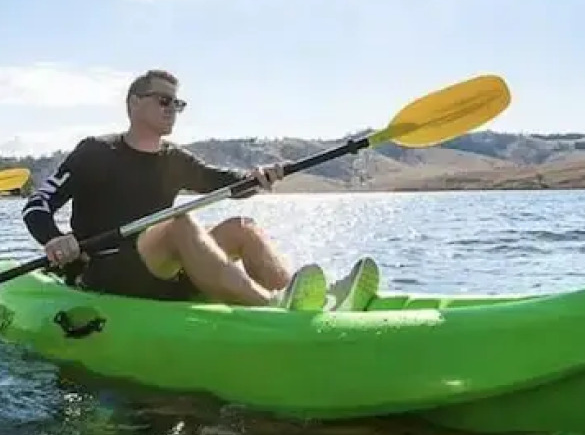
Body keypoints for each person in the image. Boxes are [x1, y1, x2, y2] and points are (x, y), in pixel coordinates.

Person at [20, 68, 379, 310]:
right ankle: (270, 306)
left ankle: (304, 299)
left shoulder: (175, 159)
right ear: (133, 103)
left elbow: (225, 182)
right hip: (107, 272)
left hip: (160, 271)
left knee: (242, 228)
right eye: (163, 101)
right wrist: (53, 238)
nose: (172, 109)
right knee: (179, 222)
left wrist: (258, 177)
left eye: (177, 103)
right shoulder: (95, 152)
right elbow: (37, 204)